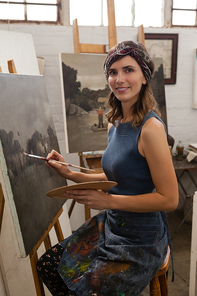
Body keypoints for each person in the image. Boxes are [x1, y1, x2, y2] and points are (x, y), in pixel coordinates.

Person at [37, 40, 179, 296]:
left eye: (128, 70)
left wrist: (108, 200)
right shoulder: (116, 125)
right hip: (113, 225)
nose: (119, 79)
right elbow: (119, 174)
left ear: (144, 77)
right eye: (113, 72)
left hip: (142, 239)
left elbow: (169, 199)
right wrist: (72, 174)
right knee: (48, 265)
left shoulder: (151, 129)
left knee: (84, 289)